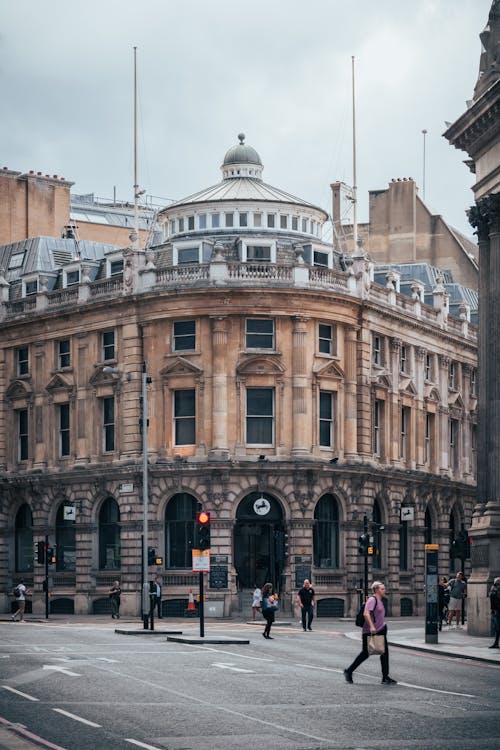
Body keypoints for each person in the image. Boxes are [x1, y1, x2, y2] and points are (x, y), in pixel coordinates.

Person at [344, 580, 397, 685]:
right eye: (382, 588)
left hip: (380, 629)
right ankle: (349, 671)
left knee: (384, 653)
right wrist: (372, 627)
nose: (384, 590)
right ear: (377, 590)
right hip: (371, 631)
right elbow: (366, 614)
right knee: (365, 653)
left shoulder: (379, 600)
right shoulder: (372, 600)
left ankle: (385, 677)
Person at [489, 577, 500, 649]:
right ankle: (496, 643)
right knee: (496, 628)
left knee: (498, 628)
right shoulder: (494, 590)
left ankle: (496, 643)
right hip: (495, 610)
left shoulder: (498, 591)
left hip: (498, 611)